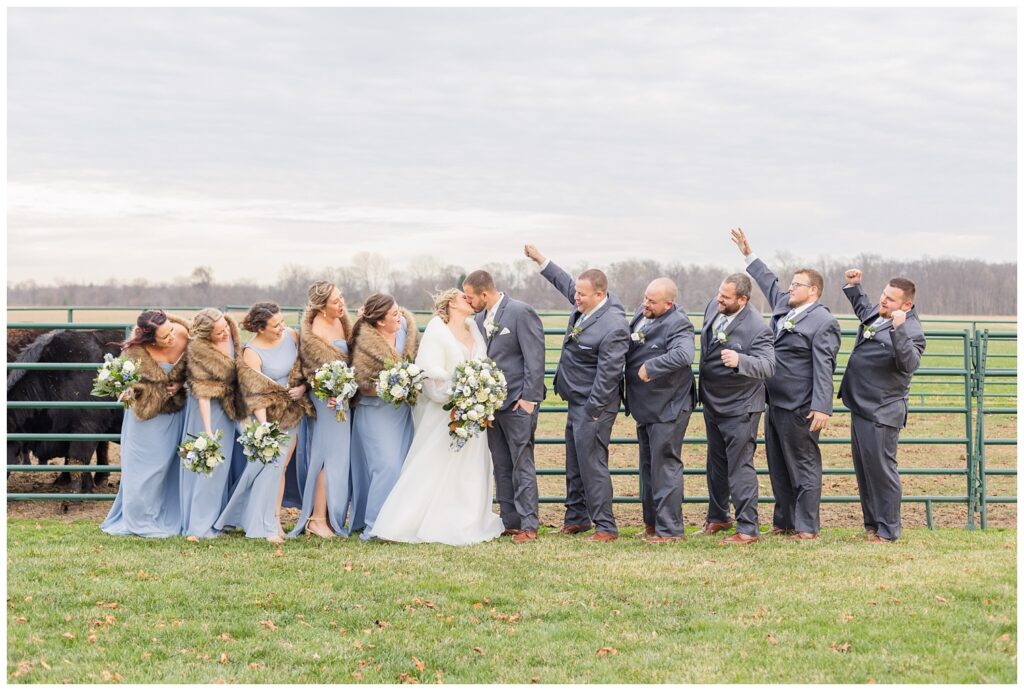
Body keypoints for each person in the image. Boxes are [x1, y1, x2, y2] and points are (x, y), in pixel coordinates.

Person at [369, 289, 506, 545]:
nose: (470, 299)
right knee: (433, 466)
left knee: (470, 467)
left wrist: (479, 393)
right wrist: (458, 392)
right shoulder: (437, 329)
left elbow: (483, 364)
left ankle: (467, 519)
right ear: (452, 302)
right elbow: (429, 377)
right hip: (444, 414)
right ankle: (404, 522)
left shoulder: (474, 328)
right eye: (465, 297)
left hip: (473, 413)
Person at [731, 228, 842, 540]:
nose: (790, 288)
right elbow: (768, 281)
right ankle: (785, 521)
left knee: (804, 465)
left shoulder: (823, 322)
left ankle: (807, 526)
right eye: (791, 283)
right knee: (778, 465)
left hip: (802, 405)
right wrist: (748, 254)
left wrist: (822, 406)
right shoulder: (785, 306)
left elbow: (825, 367)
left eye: (797, 285)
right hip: (774, 400)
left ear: (814, 291)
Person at [524, 244, 629, 542]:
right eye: (577, 293)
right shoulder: (587, 303)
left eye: (581, 294)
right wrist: (541, 260)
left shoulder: (614, 326)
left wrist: (594, 410)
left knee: (592, 464)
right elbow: (565, 283)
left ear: (599, 294)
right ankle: (577, 517)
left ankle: (606, 526)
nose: (576, 297)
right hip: (576, 400)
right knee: (574, 461)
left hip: (594, 405)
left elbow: (609, 375)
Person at [214, 302, 314, 544]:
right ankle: (263, 524)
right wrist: (265, 429)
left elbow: (307, 368)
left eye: (281, 322)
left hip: (294, 414)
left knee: (280, 468)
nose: (282, 327)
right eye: (275, 325)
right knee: (270, 468)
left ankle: (273, 518)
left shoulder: (292, 336)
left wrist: (303, 387)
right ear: (260, 328)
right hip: (269, 418)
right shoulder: (252, 352)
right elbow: (254, 395)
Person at [838, 269, 926, 543]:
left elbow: (909, 364)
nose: (883, 301)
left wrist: (899, 329)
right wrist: (855, 286)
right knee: (865, 470)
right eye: (883, 295)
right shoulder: (880, 313)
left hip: (881, 411)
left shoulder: (911, 330)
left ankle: (888, 530)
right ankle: (873, 524)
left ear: (906, 305)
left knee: (882, 471)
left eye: (890, 299)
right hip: (861, 404)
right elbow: (865, 308)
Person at [463, 269, 546, 543]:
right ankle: (510, 521)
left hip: (518, 403)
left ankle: (529, 525)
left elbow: (535, 358)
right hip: (491, 406)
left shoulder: (521, 312)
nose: (468, 301)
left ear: (484, 294)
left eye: (470, 296)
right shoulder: (477, 319)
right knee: (501, 463)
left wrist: (529, 400)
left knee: (522, 462)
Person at [698, 274, 775, 544]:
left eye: (726, 296)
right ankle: (718, 516)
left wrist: (740, 359)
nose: (719, 298)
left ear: (742, 299)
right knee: (716, 464)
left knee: (740, 466)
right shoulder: (714, 307)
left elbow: (768, 366)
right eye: (719, 292)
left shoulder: (758, 327)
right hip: (712, 401)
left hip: (740, 406)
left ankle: (748, 527)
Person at [101, 309, 190, 538]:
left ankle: (172, 513)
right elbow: (120, 381)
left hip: (176, 411)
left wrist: (180, 384)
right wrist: (126, 390)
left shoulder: (185, 332)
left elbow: (197, 366)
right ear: (149, 339)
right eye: (164, 336)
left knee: (170, 464)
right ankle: (140, 516)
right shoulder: (134, 352)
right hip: (146, 415)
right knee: (144, 467)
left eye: (170, 330)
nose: (171, 337)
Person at [622, 277, 696, 543]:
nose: (646, 304)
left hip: (669, 406)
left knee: (665, 466)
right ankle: (652, 523)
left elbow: (684, 355)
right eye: (645, 298)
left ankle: (671, 529)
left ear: (669, 303)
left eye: (652, 301)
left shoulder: (679, 323)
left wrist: (651, 367)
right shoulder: (641, 316)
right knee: (649, 466)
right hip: (645, 406)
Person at [348, 293, 419, 540]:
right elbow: (362, 383)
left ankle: (397, 523)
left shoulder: (406, 334)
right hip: (374, 411)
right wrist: (390, 388)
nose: (400, 317)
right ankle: (374, 526)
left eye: (399, 311)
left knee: (401, 467)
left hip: (401, 414)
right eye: (394, 314)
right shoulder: (365, 341)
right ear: (380, 322)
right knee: (385, 467)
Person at [290, 281, 354, 538]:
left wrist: (346, 389)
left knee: (339, 457)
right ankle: (316, 518)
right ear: (321, 306)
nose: (342, 304)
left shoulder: (341, 321)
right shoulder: (314, 330)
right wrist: (333, 392)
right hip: (326, 400)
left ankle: (327, 515)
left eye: (341, 298)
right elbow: (314, 372)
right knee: (328, 457)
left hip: (342, 398)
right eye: (336, 301)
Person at [179, 308, 248, 538]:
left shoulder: (233, 340)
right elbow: (203, 395)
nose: (225, 333)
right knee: (209, 468)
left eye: (225, 328)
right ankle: (200, 524)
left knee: (228, 466)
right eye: (219, 332)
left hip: (231, 410)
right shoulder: (199, 353)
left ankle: (224, 518)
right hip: (208, 413)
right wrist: (207, 431)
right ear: (207, 335)